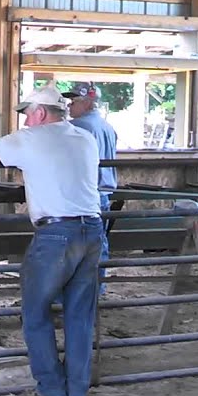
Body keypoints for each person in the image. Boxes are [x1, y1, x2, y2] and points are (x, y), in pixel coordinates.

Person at [0, 84, 104, 396]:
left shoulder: (31, 138)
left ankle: (51, 389)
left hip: (56, 234)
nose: (27, 121)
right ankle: (77, 394)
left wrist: (19, 142)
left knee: (35, 311)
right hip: (91, 231)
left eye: (28, 115)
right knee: (79, 315)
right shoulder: (85, 138)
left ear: (41, 113)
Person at [64, 82, 117, 293]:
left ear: (87, 103)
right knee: (99, 241)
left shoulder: (78, 127)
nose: (69, 106)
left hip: (85, 193)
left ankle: (80, 291)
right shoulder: (106, 126)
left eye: (73, 102)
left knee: (75, 243)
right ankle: (97, 287)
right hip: (104, 191)